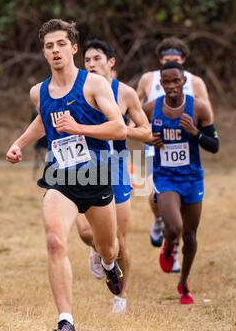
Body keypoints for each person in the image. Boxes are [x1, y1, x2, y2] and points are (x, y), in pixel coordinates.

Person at [6, 19, 127, 331]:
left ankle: (109, 265)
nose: (55, 50)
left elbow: (119, 129)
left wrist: (81, 129)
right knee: (55, 241)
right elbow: (43, 122)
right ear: (44, 52)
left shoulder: (95, 85)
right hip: (60, 177)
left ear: (73, 47)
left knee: (108, 246)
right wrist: (19, 143)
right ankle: (66, 321)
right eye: (49, 46)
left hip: (97, 175)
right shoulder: (39, 92)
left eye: (61, 44)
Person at [76, 39, 152, 314]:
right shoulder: (77, 88)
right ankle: (97, 249)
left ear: (111, 63)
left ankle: (121, 296)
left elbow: (146, 133)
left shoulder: (126, 93)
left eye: (97, 59)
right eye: (87, 60)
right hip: (83, 167)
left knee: (119, 240)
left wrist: (119, 129)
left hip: (117, 166)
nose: (91, 64)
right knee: (85, 230)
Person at [143, 61, 219, 304]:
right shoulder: (150, 108)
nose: (172, 86)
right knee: (174, 227)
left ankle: (183, 283)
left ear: (184, 81)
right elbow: (132, 129)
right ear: (161, 84)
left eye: (176, 81)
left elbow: (214, 146)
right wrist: (148, 138)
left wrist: (195, 132)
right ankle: (168, 244)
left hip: (192, 177)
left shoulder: (199, 107)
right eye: (167, 82)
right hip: (165, 177)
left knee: (191, 235)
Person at [137, 37, 213, 273]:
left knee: (182, 218)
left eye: (176, 57)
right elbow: (135, 112)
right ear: (160, 61)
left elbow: (207, 114)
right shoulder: (148, 79)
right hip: (156, 148)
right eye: (165, 57)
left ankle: (175, 253)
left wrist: (197, 132)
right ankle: (160, 221)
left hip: (186, 153)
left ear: (183, 60)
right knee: (157, 195)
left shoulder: (196, 82)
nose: (170, 59)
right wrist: (145, 134)